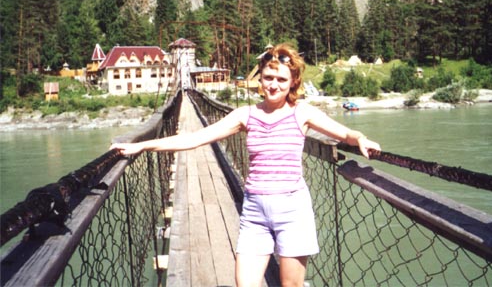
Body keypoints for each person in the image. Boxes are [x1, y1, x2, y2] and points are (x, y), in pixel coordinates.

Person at [111, 43, 381, 287]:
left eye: (281, 79)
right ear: (260, 79)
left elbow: (344, 134)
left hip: (293, 211)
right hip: (255, 213)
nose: (273, 85)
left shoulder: (303, 113)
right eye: (268, 77)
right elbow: (194, 139)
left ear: (293, 82)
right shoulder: (245, 115)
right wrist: (142, 145)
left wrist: (360, 139)